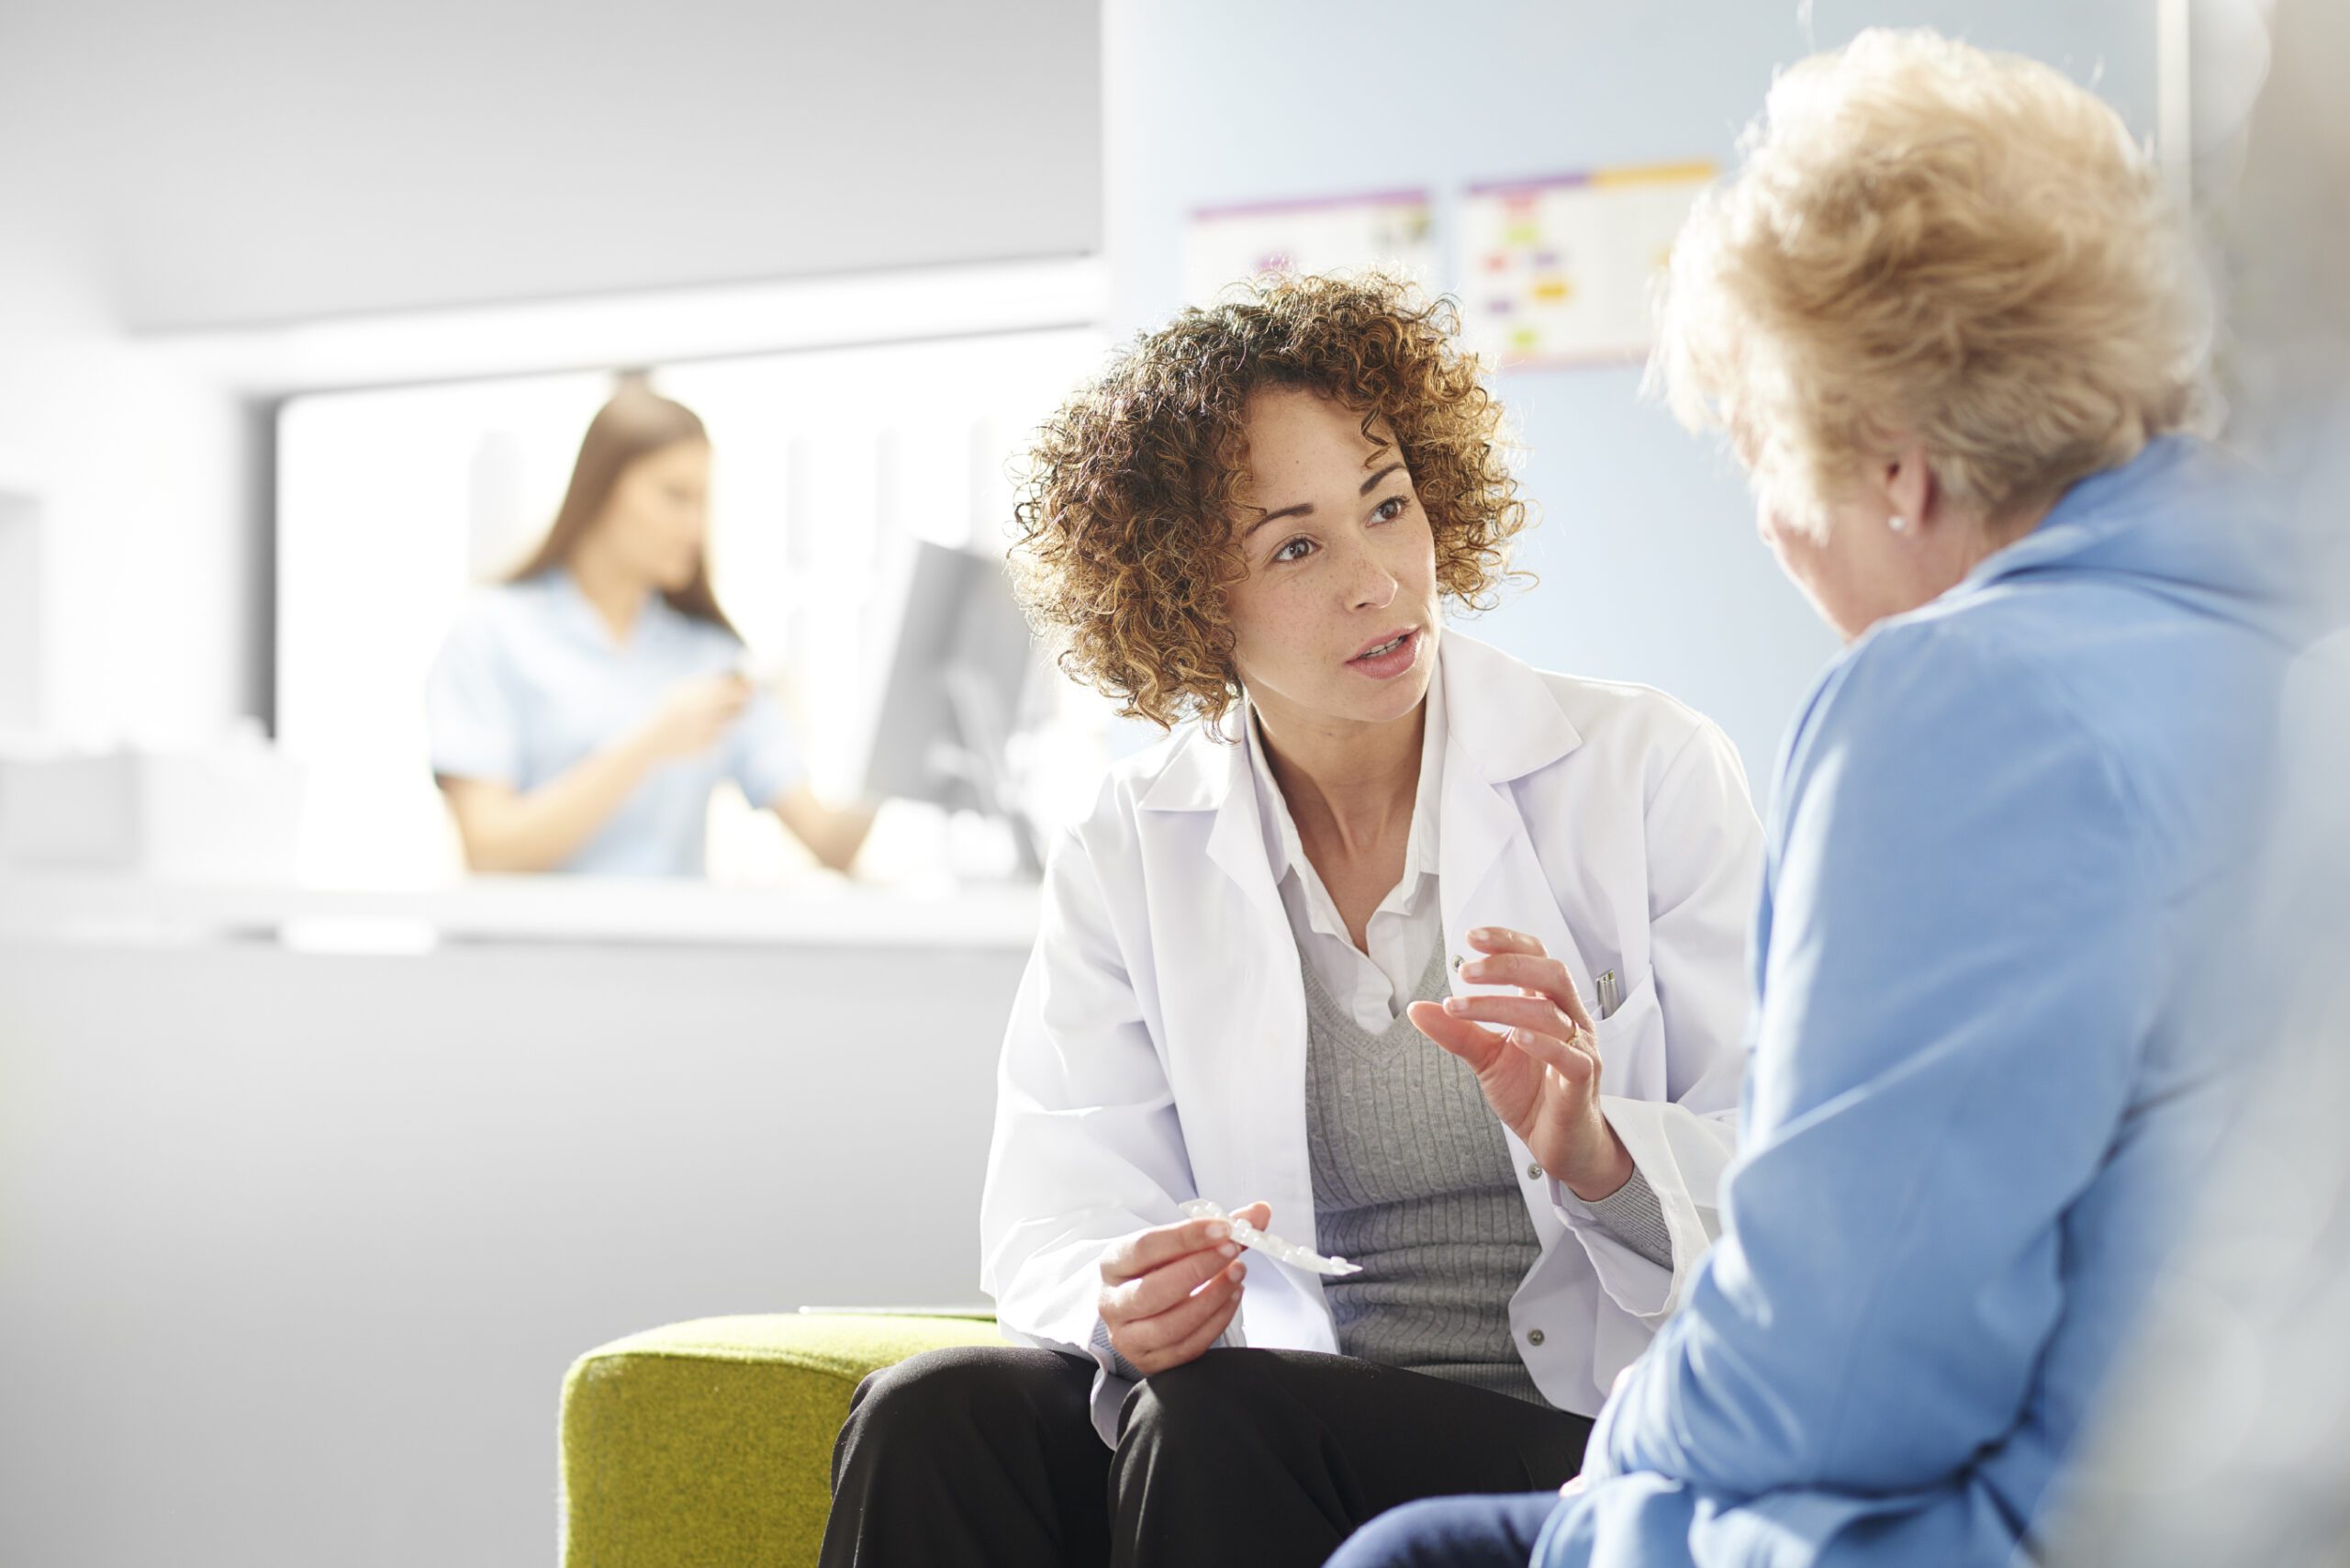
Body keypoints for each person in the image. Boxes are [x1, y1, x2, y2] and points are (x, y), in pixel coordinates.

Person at [1330, 28, 2302, 1568]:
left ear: (1898, 470)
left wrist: (1617, 1471)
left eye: (1767, 466)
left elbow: (1841, 1361)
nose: (1780, 535)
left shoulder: (1965, 700)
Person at [817, 273, 1763, 1568]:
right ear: (1187, 598)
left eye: (1390, 506)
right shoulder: (1132, 845)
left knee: (1221, 1421)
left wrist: (1596, 1149)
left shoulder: (1643, 770)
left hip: (1575, 1433)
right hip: (1249, 1420)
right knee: (934, 1416)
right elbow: (1059, 1200)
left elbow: (1784, 1184)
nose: (1380, 580)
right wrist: (1125, 1294)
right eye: (1298, 546)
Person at [425, 377, 872, 876]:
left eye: (702, 502)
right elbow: (489, 851)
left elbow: (830, 843)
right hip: (532, 954)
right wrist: (651, 743)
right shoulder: (492, 633)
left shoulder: (713, 659)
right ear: (602, 491)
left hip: (670, 952)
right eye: (674, 496)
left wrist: (897, 735)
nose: (695, 527)